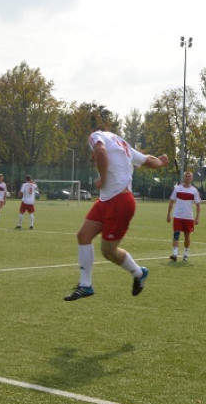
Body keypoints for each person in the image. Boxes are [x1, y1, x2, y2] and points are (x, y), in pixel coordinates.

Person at [63, 128, 169, 301]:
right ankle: (85, 285)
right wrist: (162, 163)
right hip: (106, 200)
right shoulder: (122, 144)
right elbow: (148, 161)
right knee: (83, 235)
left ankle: (138, 272)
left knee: (108, 251)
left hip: (120, 201)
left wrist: (103, 179)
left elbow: (99, 150)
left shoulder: (96, 136)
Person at [166, 170, 201, 261]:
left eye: (189, 176)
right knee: (176, 234)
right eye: (186, 176)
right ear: (183, 177)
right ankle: (175, 254)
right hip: (178, 216)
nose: (187, 178)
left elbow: (198, 205)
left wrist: (197, 217)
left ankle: (185, 254)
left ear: (192, 178)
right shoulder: (177, 188)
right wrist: (168, 214)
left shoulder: (194, 191)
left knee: (187, 236)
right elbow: (171, 201)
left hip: (188, 217)